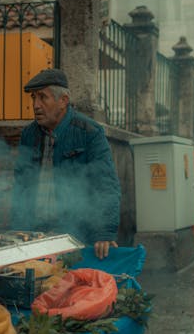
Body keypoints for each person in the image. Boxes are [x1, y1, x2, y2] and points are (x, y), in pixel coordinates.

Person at [12, 68, 121, 259]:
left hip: (74, 234)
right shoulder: (29, 134)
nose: (36, 105)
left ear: (63, 101)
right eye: (33, 98)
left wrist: (104, 232)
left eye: (43, 98)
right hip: (35, 233)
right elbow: (21, 185)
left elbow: (105, 184)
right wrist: (16, 231)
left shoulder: (89, 132)